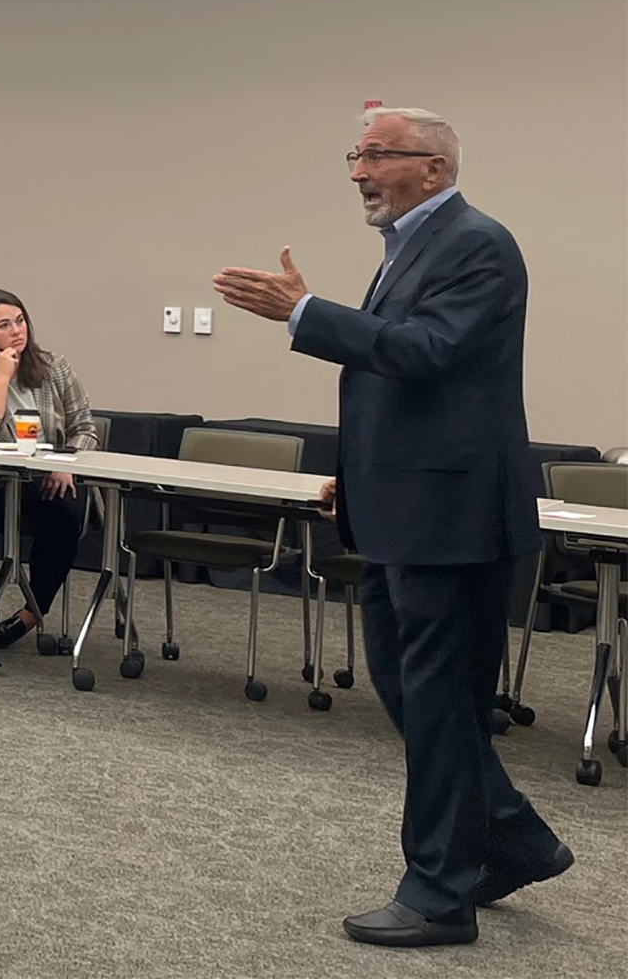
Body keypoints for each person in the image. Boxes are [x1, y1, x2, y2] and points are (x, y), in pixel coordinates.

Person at [214, 107, 570, 948]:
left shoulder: (479, 243)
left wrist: (306, 315)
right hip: (403, 505)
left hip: (452, 517)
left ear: (435, 168)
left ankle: (441, 894)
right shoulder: (413, 246)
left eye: (376, 155)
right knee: (411, 691)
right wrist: (364, 474)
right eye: (356, 153)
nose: (357, 171)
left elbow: (426, 352)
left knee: (442, 702)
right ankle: (513, 837)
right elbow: (407, 386)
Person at [0, 290, 99, 655]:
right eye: (4, 325)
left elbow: (85, 427)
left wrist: (66, 464)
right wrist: (1, 378)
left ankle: (28, 616)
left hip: (48, 476)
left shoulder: (54, 366)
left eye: (20, 320)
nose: (16, 330)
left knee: (65, 517)